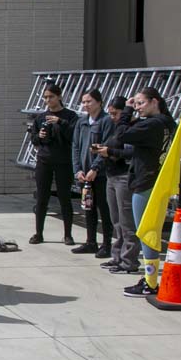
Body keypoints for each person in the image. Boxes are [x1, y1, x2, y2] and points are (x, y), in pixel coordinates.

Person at [98, 87, 176, 298]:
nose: (138, 107)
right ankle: (150, 280)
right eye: (136, 103)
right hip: (158, 180)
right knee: (149, 231)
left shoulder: (152, 124)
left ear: (154, 102)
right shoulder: (169, 123)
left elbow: (121, 135)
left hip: (146, 182)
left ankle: (150, 282)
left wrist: (127, 111)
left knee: (146, 232)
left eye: (141, 103)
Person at [28, 82, 78, 245]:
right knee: (42, 197)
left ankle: (68, 234)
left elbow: (74, 136)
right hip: (44, 160)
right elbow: (34, 139)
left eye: (51, 97)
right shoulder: (41, 117)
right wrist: (40, 136)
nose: (48, 100)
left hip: (63, 161)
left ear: (59, 97)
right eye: (45, 97)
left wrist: (60, 122)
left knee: (65, 197)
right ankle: (38, 233)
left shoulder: (70, 116)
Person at [95, 97, 140, 275]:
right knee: (116, 219)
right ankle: (118, 256)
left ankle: (129, 261)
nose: (112, 117)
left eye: (115, 113)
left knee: (127, 220)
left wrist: (112, 152)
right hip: (111, 175)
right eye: (111, 113)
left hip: (124, 176)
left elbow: (131, 152)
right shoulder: (118, 127)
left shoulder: (134, 128)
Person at [70, 88, 114, 257]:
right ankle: (90, 242)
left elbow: (106, 146)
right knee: (88, 207)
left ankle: (107, 244)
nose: (86, 105)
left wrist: (95, 168)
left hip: (100, 175)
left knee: (104, 208)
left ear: (99, 102)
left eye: (89, 101)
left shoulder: (106, 121)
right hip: (84, 175)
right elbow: (75, 146)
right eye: (84, 102)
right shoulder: (81, 122)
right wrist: (77, 170)